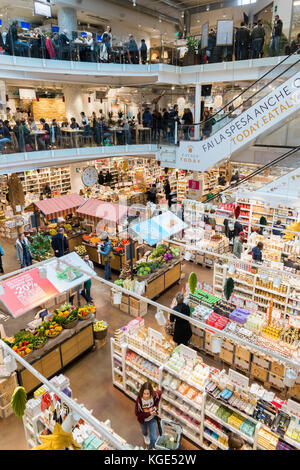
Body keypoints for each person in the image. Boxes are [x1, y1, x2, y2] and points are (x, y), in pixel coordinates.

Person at [135, 382, 161, 450]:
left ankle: (150, 448)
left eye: (148, 394)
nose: (146, 396)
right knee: (144, 431)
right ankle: (145, 436)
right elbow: (137, 414)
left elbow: (160, 393)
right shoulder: (139, 400)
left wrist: (155, 406)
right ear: (141, 392)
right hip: (142, 420)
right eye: (144, 393)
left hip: (151, 419)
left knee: (154, 438)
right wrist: (149, 414)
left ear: (151, 392)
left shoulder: (154, 395)